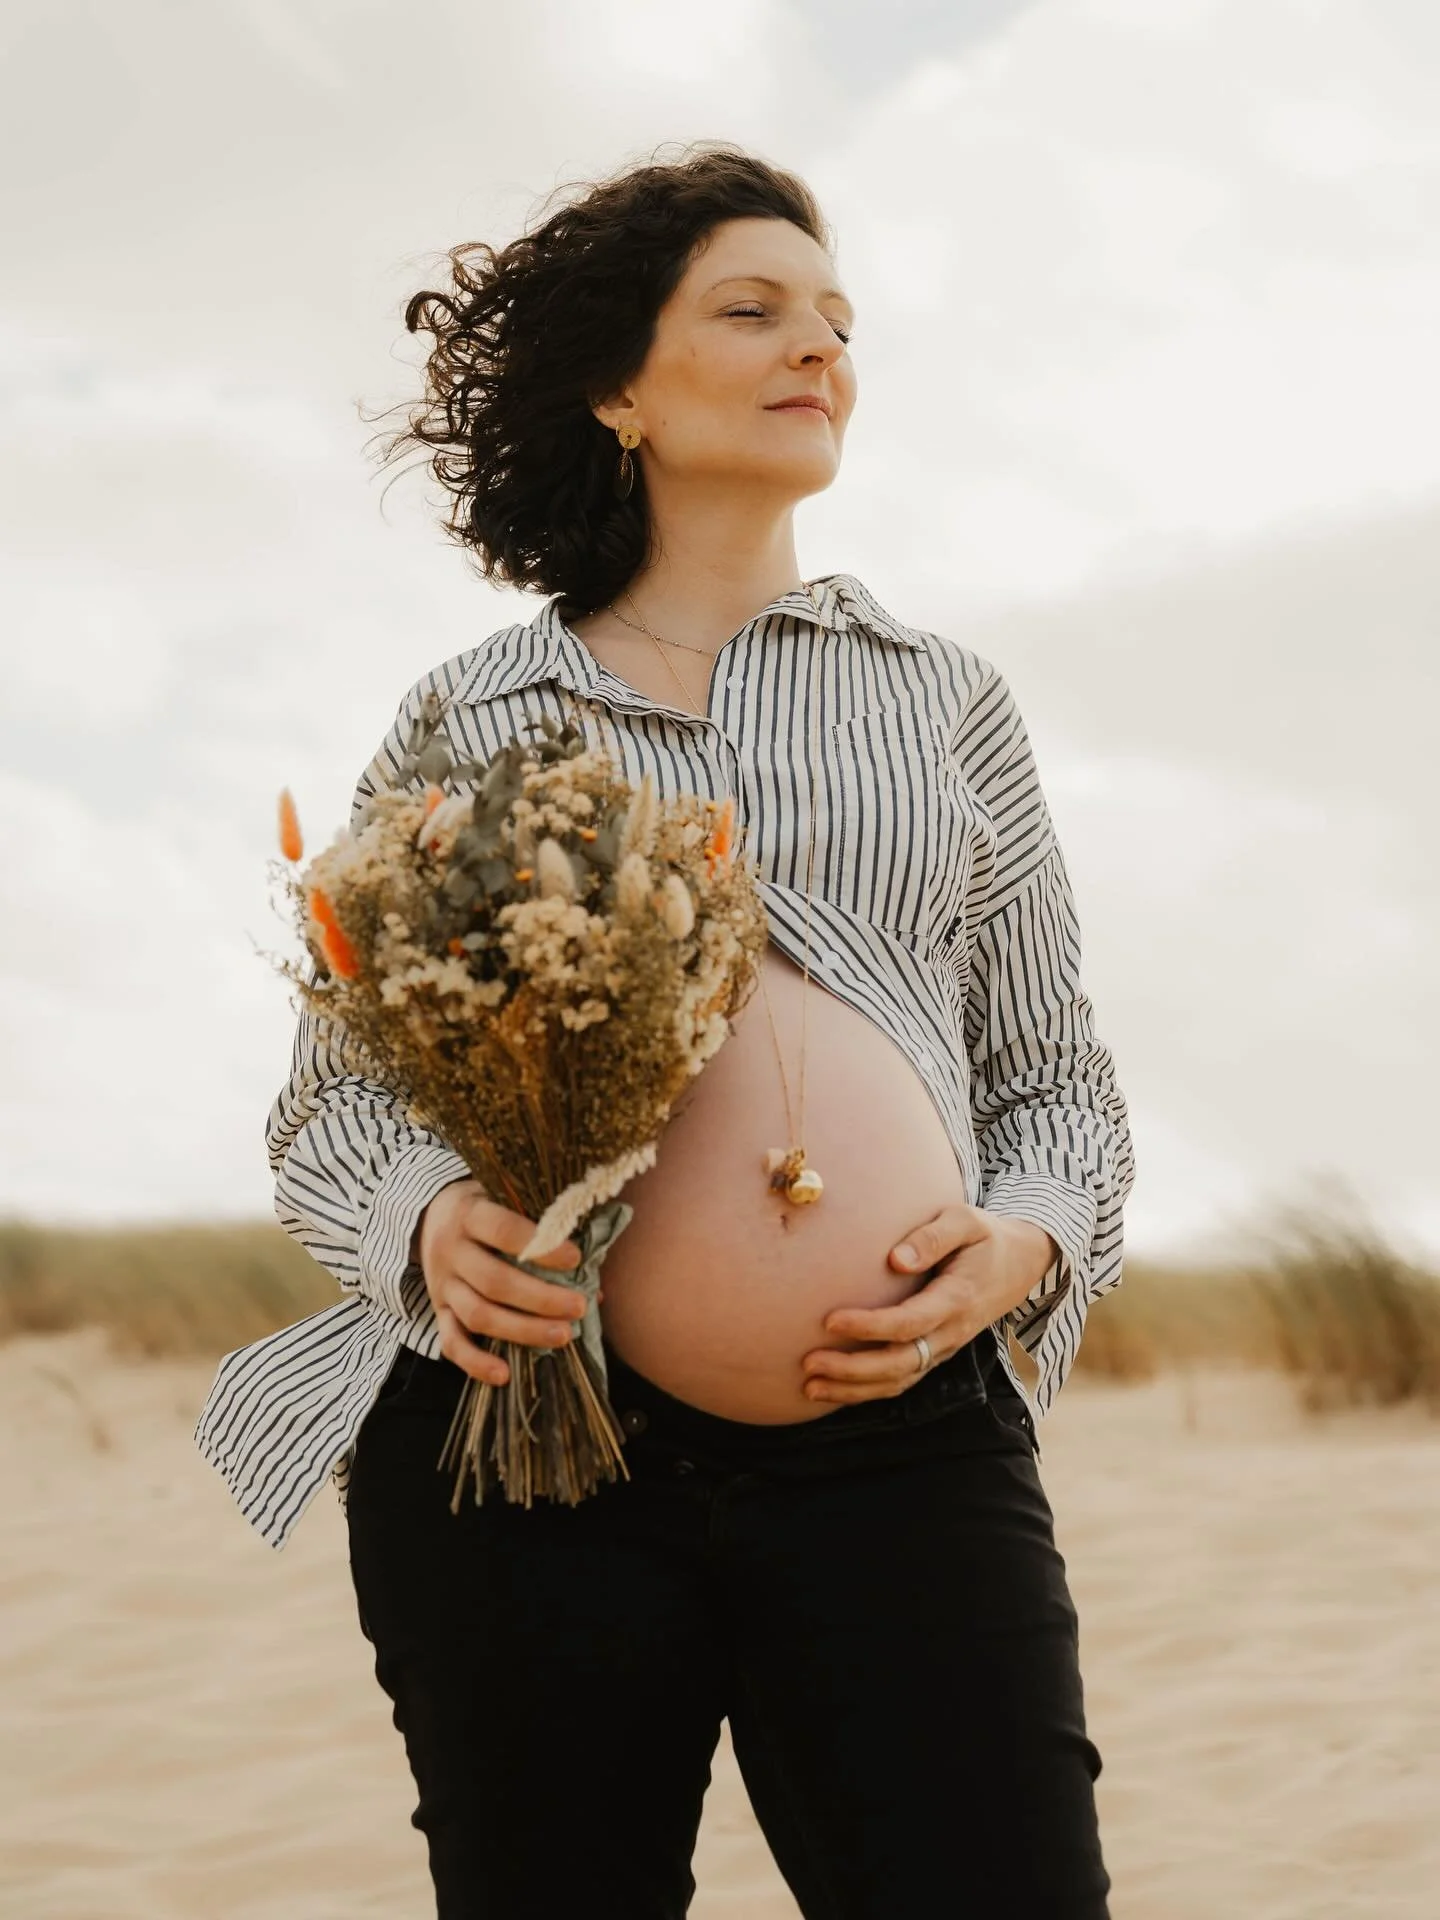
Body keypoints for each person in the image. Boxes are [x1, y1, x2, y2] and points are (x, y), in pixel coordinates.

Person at [196, 140, 1135, 1919]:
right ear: (621, 387)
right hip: (530, 1443)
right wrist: (424, 1224)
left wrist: (1027, 1241)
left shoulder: (943, 701)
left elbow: (1053, 1077)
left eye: (837, 319)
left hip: (901, 1441)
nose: (820, 347)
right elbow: (333, 1102)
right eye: (754, 310)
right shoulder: (472, 716)